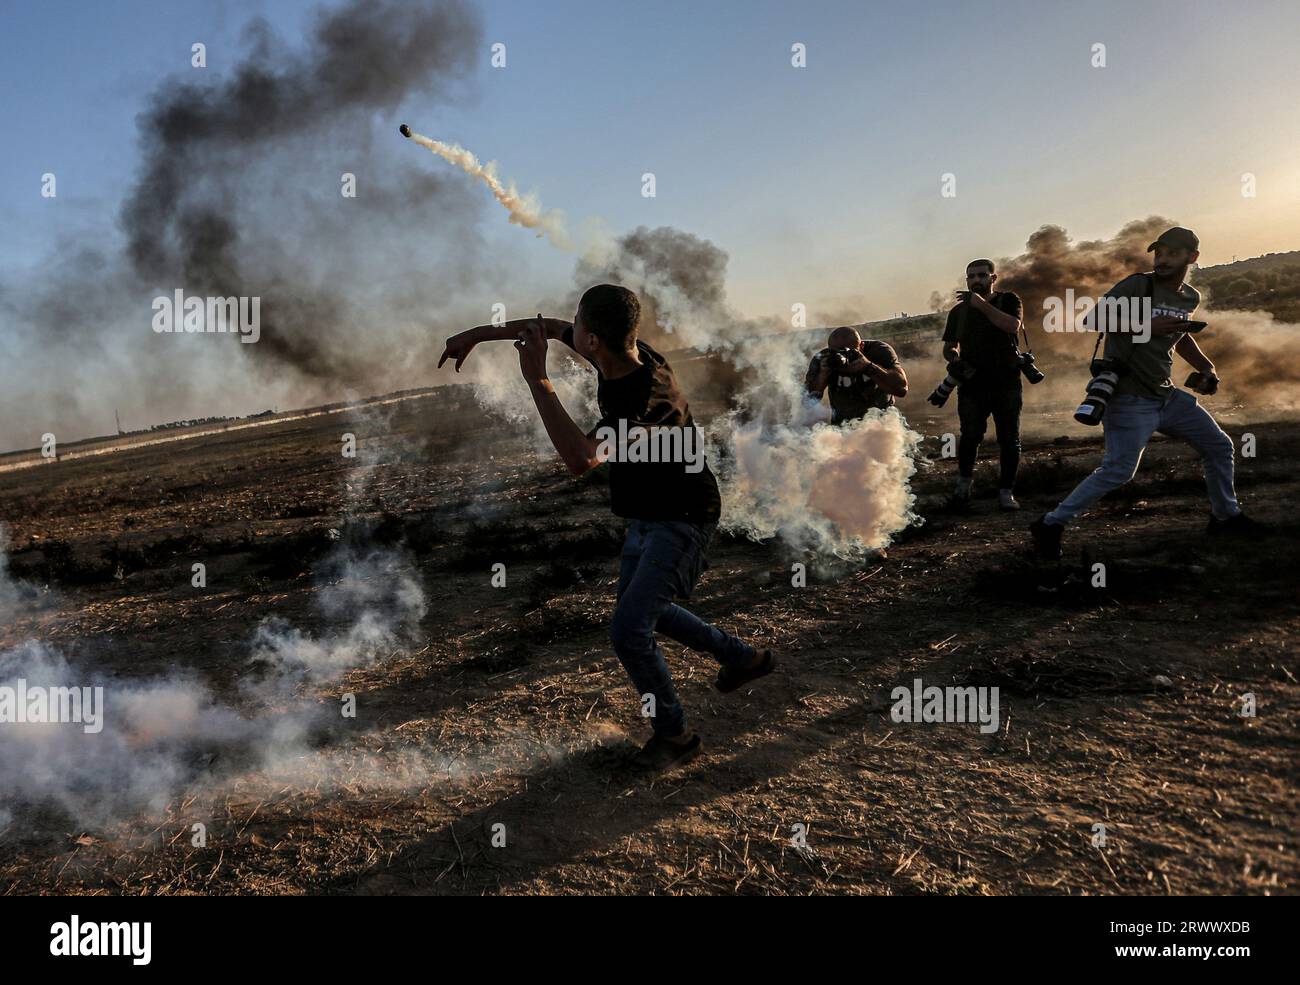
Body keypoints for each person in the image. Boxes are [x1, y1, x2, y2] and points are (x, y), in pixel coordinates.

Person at [438, 284, 774, 772]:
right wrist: (479, 334)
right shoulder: (627, 353)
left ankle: (675, 736)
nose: (567, 331)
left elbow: (581, 459)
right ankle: (742, 659)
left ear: (593, 340)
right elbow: (548, 328)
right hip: (648, 513)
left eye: (578, 326)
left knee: (629, 631)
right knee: (648, 614)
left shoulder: (642, 404)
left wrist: (537, 379)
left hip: (681, 517)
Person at [1030, 227, 1258, 560]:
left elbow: (1179, 336)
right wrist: (1145, 326)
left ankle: (1226, 517)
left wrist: (1207, 367)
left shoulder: (1188, 297)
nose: (1163, 259)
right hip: (1128, 396)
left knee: (1219, 446)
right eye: (1159, 253)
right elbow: (1093, 318)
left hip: (1165, 395)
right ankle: (1051, 524)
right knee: (1118, 471)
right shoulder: (1138, 285)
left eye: (1172, 254)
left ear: (1191, 258)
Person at [940, 259, 1025, 511]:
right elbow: (949, 346)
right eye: (971, 277)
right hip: (973, 384)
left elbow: (1012, 325)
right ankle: (964, 485)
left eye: (981, 275)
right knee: (970, 437)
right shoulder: (959, 312)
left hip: (1006, 381)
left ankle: (1006, 492)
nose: (976, 280)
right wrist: (954, 359)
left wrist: (980, 304)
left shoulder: (1008, 300)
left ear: (993, 278)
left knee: (1009, 439)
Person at [804, 326, 908, 424]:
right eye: (836, 352)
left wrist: (868, 366)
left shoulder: (878, 350)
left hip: (883, 420)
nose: (843, 356)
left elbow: (901, 389)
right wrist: (822, 375)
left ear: (861, 346)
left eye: (849, 352)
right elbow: (807, 402)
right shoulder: (824, 359)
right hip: (844, 425)